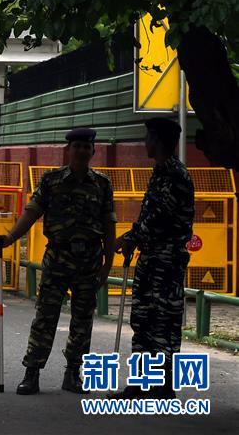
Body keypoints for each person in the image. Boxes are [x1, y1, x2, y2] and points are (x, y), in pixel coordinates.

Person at [0, 127, 116, 395]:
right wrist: (9, 238)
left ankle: (73, 374)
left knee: (83, 320)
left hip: (89, 259)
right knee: (45, 316)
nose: (82, 150)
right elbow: (32, 212)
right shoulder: (51, 180)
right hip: (58, 257)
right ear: (68, 150)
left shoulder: (103, 184)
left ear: (93, 151)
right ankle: (32, 373)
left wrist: (107, 263)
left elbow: (108, 223)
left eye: (86, 146)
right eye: (77, 146)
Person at [108, 118, 194, 400]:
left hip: (164, 261)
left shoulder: (173, 175)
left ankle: (159, 386)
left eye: (147, 137)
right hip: (155, 258)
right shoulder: (162, 172)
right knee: (147, 319)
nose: (144, 142)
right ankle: (146, 384)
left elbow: (158, 220)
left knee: (160, 321)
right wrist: (134, 239)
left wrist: (129, 239)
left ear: (156, 140)